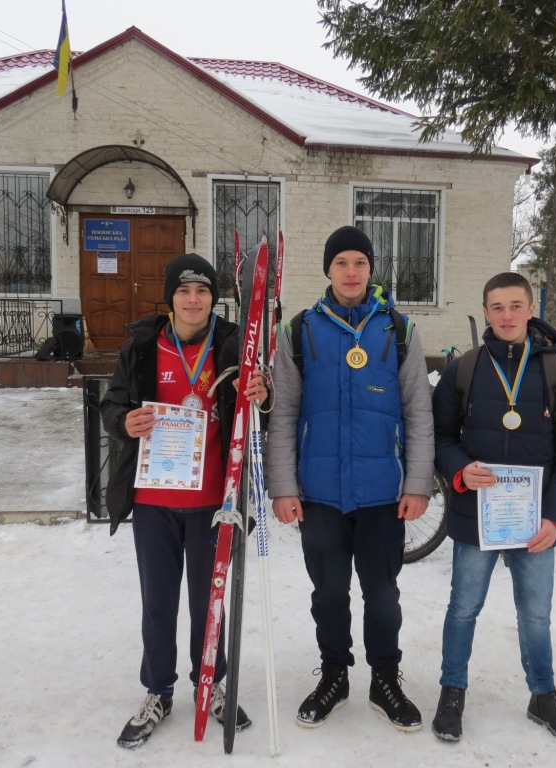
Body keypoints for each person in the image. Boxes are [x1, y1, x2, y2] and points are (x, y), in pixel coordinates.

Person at [267, 225, 435, 731]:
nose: (351, 271)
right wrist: (283, 486)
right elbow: (284, 414)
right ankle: (335, 674)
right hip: (319, 493)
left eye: (359, 262)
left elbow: (419, 411)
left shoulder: (397, 329)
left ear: (370, 269)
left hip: (383, 492)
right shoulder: (299, 330)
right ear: (328, 270)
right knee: (328, 593)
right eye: (341, 262)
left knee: (382, 595)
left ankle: (386, 676)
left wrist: (419, 483)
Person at [100, 252, 266, 749]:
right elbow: (113, 404)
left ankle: (211, 682)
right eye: (183, 291)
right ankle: (158, 690)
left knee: (209, 604)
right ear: (170, 297)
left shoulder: (236, 343)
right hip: (154, 500)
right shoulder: (143, 346)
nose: (193, 300)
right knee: (158, 602)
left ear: (214, 298)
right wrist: (123, 422)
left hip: (215, 500)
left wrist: (263, 390)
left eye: (202, 291)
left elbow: (261, 406)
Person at [430, 271, 556, 747]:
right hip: (475, 517)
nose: (507, 316)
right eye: (497, 307)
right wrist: (459, 470)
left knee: (536, 614)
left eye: (516, 306)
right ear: (485, 312)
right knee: (463, 609)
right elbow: (439, 438)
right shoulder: (464, 371)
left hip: (534, 522)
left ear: (530, 310)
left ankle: (542, 696)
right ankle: (452, 690)